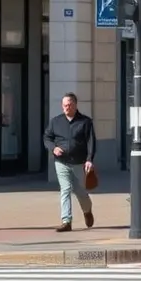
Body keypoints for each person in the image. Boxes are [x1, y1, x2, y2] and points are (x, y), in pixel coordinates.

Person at [43, 93, 96, 232]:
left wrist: (89, 159)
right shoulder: (56, 122)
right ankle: (66, 221)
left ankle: (87, 210)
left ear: (75, 105)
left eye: (70, 105)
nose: (67, 107)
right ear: (62, 106)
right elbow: (47, 137)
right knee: (65, 189)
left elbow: (91, 142)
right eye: (65, 105)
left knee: (80, 191)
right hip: (61, 162)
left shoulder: (85, 122)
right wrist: (53, 148)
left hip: (79, 162)